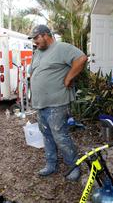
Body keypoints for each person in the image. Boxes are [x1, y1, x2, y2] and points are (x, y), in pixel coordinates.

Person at [28, 25, 88, 181]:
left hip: (57, 103)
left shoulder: (61, 48)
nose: (35, 42)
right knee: (46, 135)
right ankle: (51, 164)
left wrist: (68, 77)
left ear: (45, 35)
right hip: (41, 103)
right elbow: (33, 73)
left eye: (36, 38)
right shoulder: (38, 53)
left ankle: (74, 165)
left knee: (60, 136)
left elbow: (81, 59)